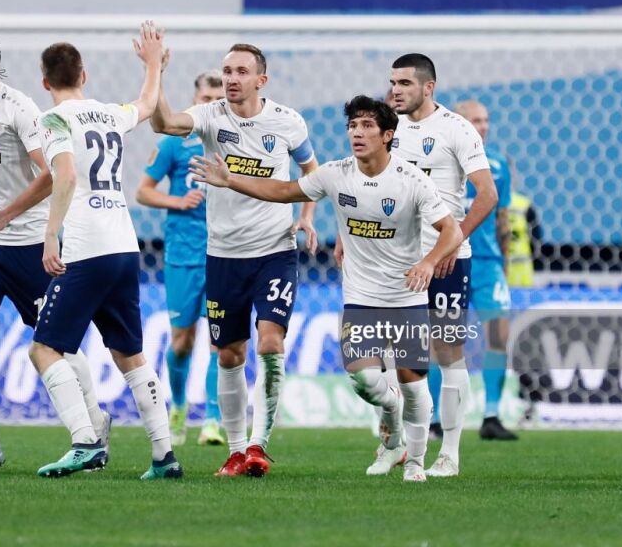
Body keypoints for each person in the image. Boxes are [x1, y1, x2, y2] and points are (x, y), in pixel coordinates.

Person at [192, 95, 463, 481]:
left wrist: (429, 262)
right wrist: (230, 180)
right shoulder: (336, 174)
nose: (357, 133)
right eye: (352, 126)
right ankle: (392, 424)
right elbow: (284, 190)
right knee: (365, 381)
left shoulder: (412, 180)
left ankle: (415, 463)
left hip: (406, 296)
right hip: (361, 298)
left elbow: (451, 230)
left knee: (413, 383)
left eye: (367, 126)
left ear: (387, 135)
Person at [0, 31, 109, 471]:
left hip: (30, 244)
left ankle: (95, 420)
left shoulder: (19, 109)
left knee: (57, 342)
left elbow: (52, 173)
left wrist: (7, 214)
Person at [151, 43, 318, 478]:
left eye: (241, 71)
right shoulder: (210, 116)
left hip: (275, 251)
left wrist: (306, 217)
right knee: (228, 354)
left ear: (262, 80)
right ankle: (236, 450)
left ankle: (259, 445)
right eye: (227, 71)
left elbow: (312, 172)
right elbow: (164, 123)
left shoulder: (287, 122)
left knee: (270, 342)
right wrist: (155, 70)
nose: (231, 79)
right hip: (224, 253)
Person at [31, 24, 182, 480]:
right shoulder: (108, 113)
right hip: (124, 246)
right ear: (84, 75)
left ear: (45, 82)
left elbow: (66, 175)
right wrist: (153, 64)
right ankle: (164, 457)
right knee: (130, 354)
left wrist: (51, 234)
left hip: (86, 247)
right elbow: (147, 104)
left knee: (44, 349)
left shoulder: (52, 120)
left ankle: (84, 442)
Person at [389, 54, 497, 478]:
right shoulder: (388, 127)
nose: (396, 90)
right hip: (397, 260)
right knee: (394, 356)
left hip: (448, 262)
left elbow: (487, 194)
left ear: (428, 87)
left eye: (404, 83)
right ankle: (397, 445)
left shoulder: (457, 129)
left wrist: (455, 239)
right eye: (393, 82)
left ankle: (449, 453)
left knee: (448, 352)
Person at [136, 70, 225, 447]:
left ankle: (213, 420)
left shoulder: (236, 140)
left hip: (224, 253)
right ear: (195, 99)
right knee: (182, 342)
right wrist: (178, 201)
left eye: (218, 100)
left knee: (221, 340)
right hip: (183, 255)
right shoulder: (176, 142)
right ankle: (178, 405)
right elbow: (143, 192)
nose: (212, 106)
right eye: (206, 99)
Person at [456, 100, 518, 441]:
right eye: (477, 121)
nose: (484, 126)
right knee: (443, 342)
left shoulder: (497, 164)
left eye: (486, 120)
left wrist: (504, 264)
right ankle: (434, 419)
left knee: (499, 335)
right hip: (451, 260)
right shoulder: (442, 160)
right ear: (460, 124)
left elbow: (503, 219)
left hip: (488, 265)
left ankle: (492, 415)